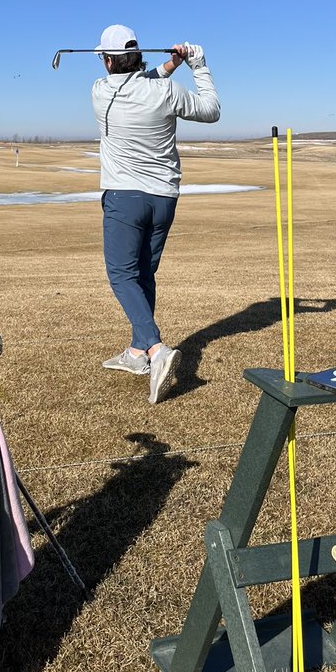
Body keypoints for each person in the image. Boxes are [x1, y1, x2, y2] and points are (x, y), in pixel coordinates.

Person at [92, 24, 220, 404]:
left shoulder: (100, 93)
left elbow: (130, 83)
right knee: (144, 272)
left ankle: (155, 351)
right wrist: (195, 65)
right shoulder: (166, 90)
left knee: (121, 273)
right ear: (138, 56)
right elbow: (211, 110)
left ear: (109, 60)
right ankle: (135, 353)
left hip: (124, 196)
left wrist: (171, 67)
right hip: (164, 197)